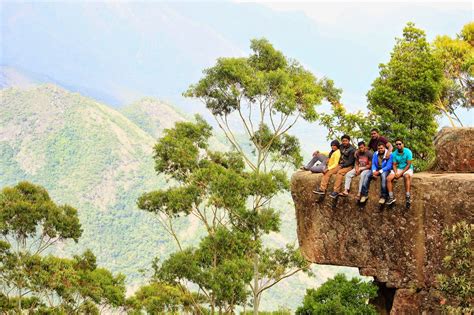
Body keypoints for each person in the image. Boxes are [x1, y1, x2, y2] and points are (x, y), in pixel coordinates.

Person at [386, 138, 414, 207]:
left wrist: (400, 174)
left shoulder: (408, 152)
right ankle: (391, 197)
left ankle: (407, 197)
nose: (398, 145)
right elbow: (394, 164)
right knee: (388, 178)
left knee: (406, 176)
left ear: (403, 144)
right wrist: (396, 173)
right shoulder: (394, 153)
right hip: (399, 168)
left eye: (400, 144)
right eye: (397, 144)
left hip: (407, 168)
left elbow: (408, 164)